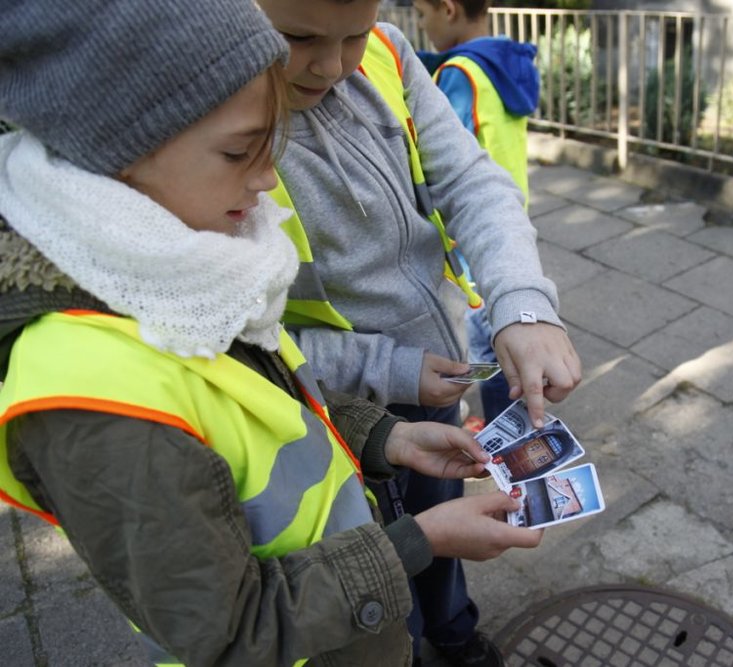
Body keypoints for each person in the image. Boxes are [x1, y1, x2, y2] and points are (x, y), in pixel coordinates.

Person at [0, 1, 542, 665]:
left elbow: (268, 397)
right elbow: (230, 631)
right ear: (112, 150)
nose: (267, 179)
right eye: (240, 152)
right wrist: (416, 541)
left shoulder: (187, 269)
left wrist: (384, 436)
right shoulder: (93, 401)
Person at [254, 0, 582, 663]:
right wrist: (390, 369)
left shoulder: (387, 51)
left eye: (353, 33)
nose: (334, 65)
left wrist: (522, 301)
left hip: (435, 374)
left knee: (443, 517)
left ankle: (453, 631)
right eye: (298, 37)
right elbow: (245, 342)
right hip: (327, 408)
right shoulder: (220, 126)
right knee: (371, 558)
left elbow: (472, 180)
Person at [413, 0, 540, 424]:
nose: (421, 24)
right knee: (503, 341)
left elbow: (441, 162)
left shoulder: (458, 74)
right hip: (509, 216)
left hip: (469, 241)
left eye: (422, 13)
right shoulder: (505, 61)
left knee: (488, 348)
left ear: (448, 9)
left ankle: (510, 434)